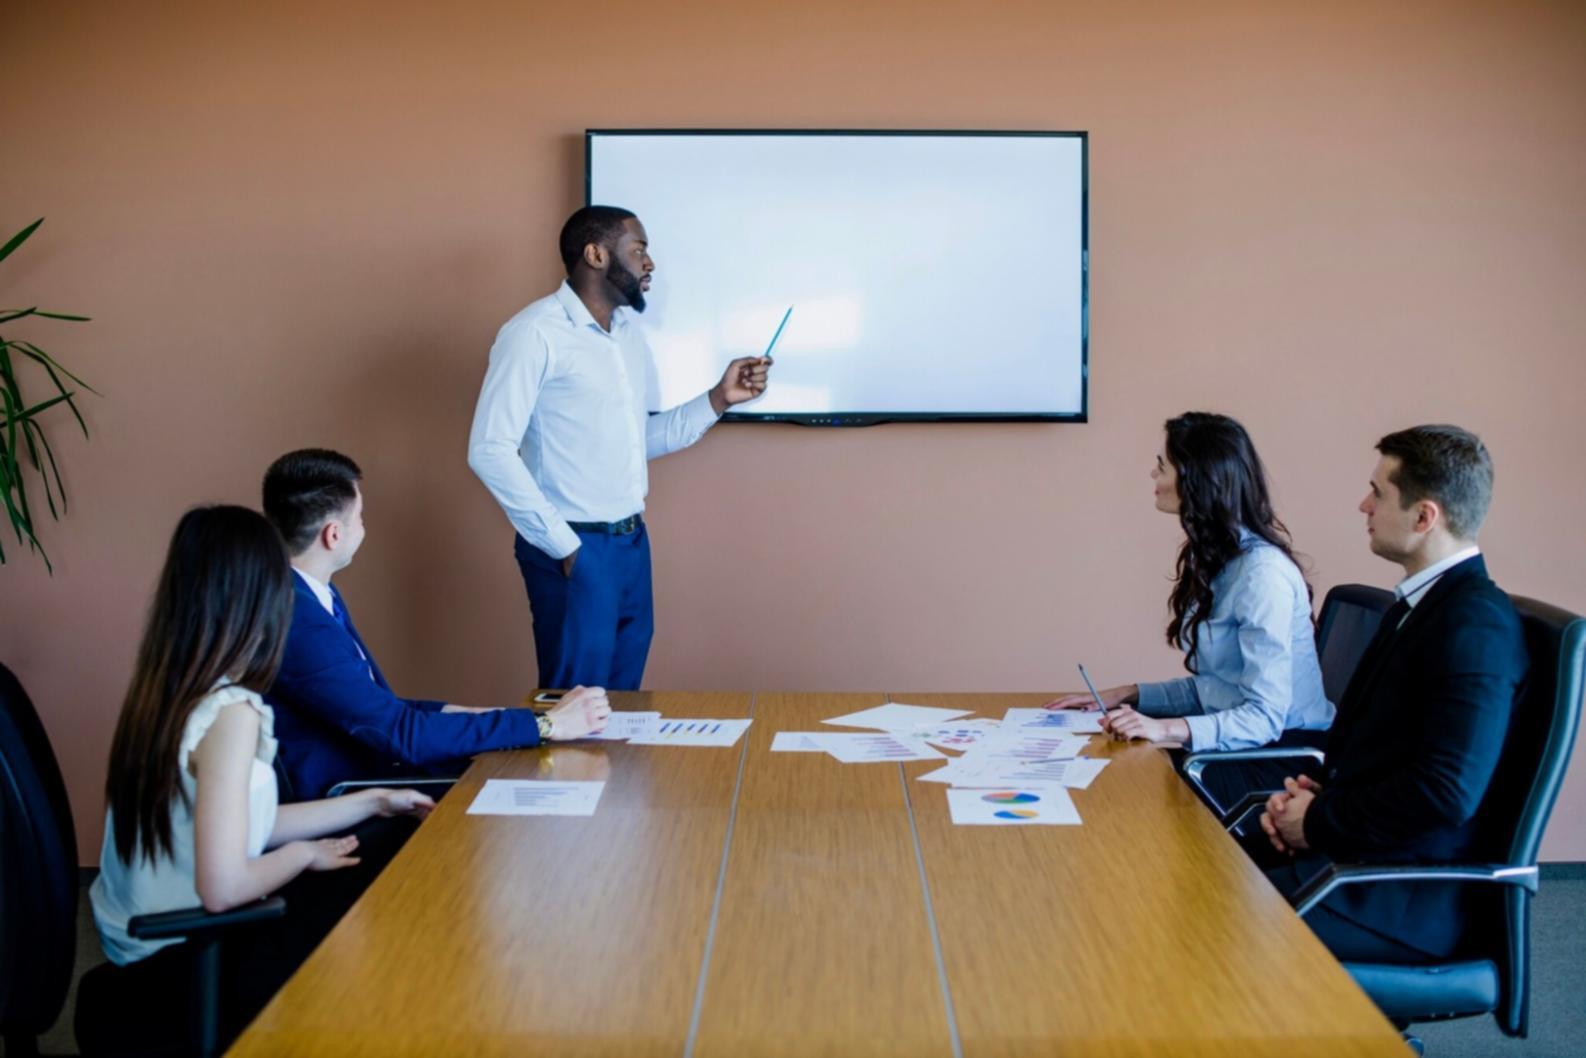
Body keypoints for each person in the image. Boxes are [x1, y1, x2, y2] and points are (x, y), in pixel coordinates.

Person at [86, 506, 436, 1049]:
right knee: (389, 912)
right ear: (263, 601)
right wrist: (304, 855)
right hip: (187, 957)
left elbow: (243, 823)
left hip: (143, 944)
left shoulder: (168, 690)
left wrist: (374, 801)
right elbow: (223, 889)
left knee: (379, 845)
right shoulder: (231, 713)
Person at [468, 205, 771, 691]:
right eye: (639, 250)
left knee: (623, 705)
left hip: (632, 544)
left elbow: (634, 442)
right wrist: (564, 548)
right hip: (573, 545)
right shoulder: (533, 334)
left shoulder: (627, 338)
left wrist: (719, 399)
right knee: (574, 708)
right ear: (596, 254)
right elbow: (489, 449)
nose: (649, 264)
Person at [1259, 424, 1528, 962]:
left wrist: (1317, 821)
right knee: (1198, 878)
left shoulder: (1474, 625)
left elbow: (1445, 791)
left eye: (1378, 492)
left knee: (1205, 926)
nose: (1364, 505)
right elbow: (1392, 750)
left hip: (1402, 897)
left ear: (1425, 516)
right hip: (1362, 862)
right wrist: (1312, 803)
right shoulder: (1421, 606)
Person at [262, 449, 611, 801]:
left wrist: (499, 716)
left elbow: (380, 709)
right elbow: (400, 734)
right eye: (360, 516)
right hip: (361, 796)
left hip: (384, 774)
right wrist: (548, 725)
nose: (364, 526)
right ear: (333, 535)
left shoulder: (309, 595)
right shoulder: (302, 623)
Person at [1046, 411, 1332, 808]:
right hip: (1238, 746)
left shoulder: (1262, 577)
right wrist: (1127, 695)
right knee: (1110, 766)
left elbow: (1263, 717)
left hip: (1277, 759)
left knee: (1124, 787)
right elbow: (1216, 689)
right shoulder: (1222, 559)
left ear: (1196, 478)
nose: (1152, 474)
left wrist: (1162, 729)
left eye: (1162, 465)